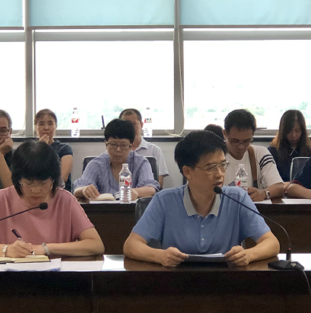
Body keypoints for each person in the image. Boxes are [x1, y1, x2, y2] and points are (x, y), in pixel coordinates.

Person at [123, 131, 280, 267]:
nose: (220, 174)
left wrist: (248, 255)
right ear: (187, 172)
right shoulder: (164, 201)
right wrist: (160, 256)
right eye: (210, 167)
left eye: (223, 165)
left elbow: (272, 243)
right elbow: (131, 245)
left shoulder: (237, 198)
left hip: (227, 281)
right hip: (176, 282)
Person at [0, 141, 104, 258]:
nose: (35, 190)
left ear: (53, 179)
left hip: (57, 277)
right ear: (18, 179)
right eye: (28, 183)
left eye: (43, 183)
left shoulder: (65, 200)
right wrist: (7, 250)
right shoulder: (2, 199)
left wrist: (46, 248)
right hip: (13, 277)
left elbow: (96, 244)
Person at [73, 119, 160, 200]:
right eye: (113, 144)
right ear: (106, 144)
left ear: (131, 146)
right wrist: (84, 190)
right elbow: (77, 189)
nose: (118, 150)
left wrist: (136, 192)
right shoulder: (96, 164)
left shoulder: (141, 163)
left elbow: (151, 188)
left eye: (123, 145)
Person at [222, 109, 285, 201]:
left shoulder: (260, 153)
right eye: (235, 141)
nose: (241, 146)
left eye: (247, 141)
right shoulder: (214, 157)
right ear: (225, 134)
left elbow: (279, 187)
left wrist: (264, 193)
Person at [120, 108, 169, 187]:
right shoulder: (114, 151)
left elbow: (159, 183)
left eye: (134, 124)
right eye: (125, 124)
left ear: (141, 125)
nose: (130, 128)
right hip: (121, 192)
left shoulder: (154, 150)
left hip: (147, 193)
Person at [268, 110, 311, 181]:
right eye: (289, 131)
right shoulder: (273, 151)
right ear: (283, 131)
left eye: (297, 131)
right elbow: (270, 180)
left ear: (303, 131)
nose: (294, 135)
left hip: (305, 187)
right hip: (282, 187)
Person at [35, 108, 73, 188]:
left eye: (50, 123)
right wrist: (41, 147)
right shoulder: (29, 150)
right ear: (35, 127)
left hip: (60, 192)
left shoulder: (64, 149)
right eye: (41, 124)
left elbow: (62, 179)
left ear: (56, 126)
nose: (46, 127)